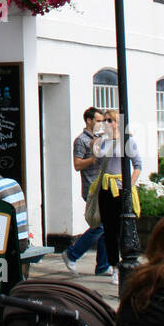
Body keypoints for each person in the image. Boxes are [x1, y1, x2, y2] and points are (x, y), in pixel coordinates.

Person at [88, 111, 142, 285]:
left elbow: (138, 165)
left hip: (120, 189)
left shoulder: (128, 141)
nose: (106, 123)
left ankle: (126, 263)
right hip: (105, 189)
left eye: (110, 120)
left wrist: (129, 185)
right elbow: (96, 158)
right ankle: (113, 265)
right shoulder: (103, 142)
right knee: (108, 230)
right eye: (104, 120)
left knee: (123, 229)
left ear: (118, 123)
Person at [62, 106, 111, 277]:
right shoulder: (81, 140)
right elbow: (77, 165)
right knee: (100, 225)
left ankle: (103, 265)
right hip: (91, 188)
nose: (101, 124)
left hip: (105, 185)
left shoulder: (103, 138)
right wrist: (93, 158)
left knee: (107, 226)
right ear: (89, 121)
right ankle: (72, 253)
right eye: (98, 121)